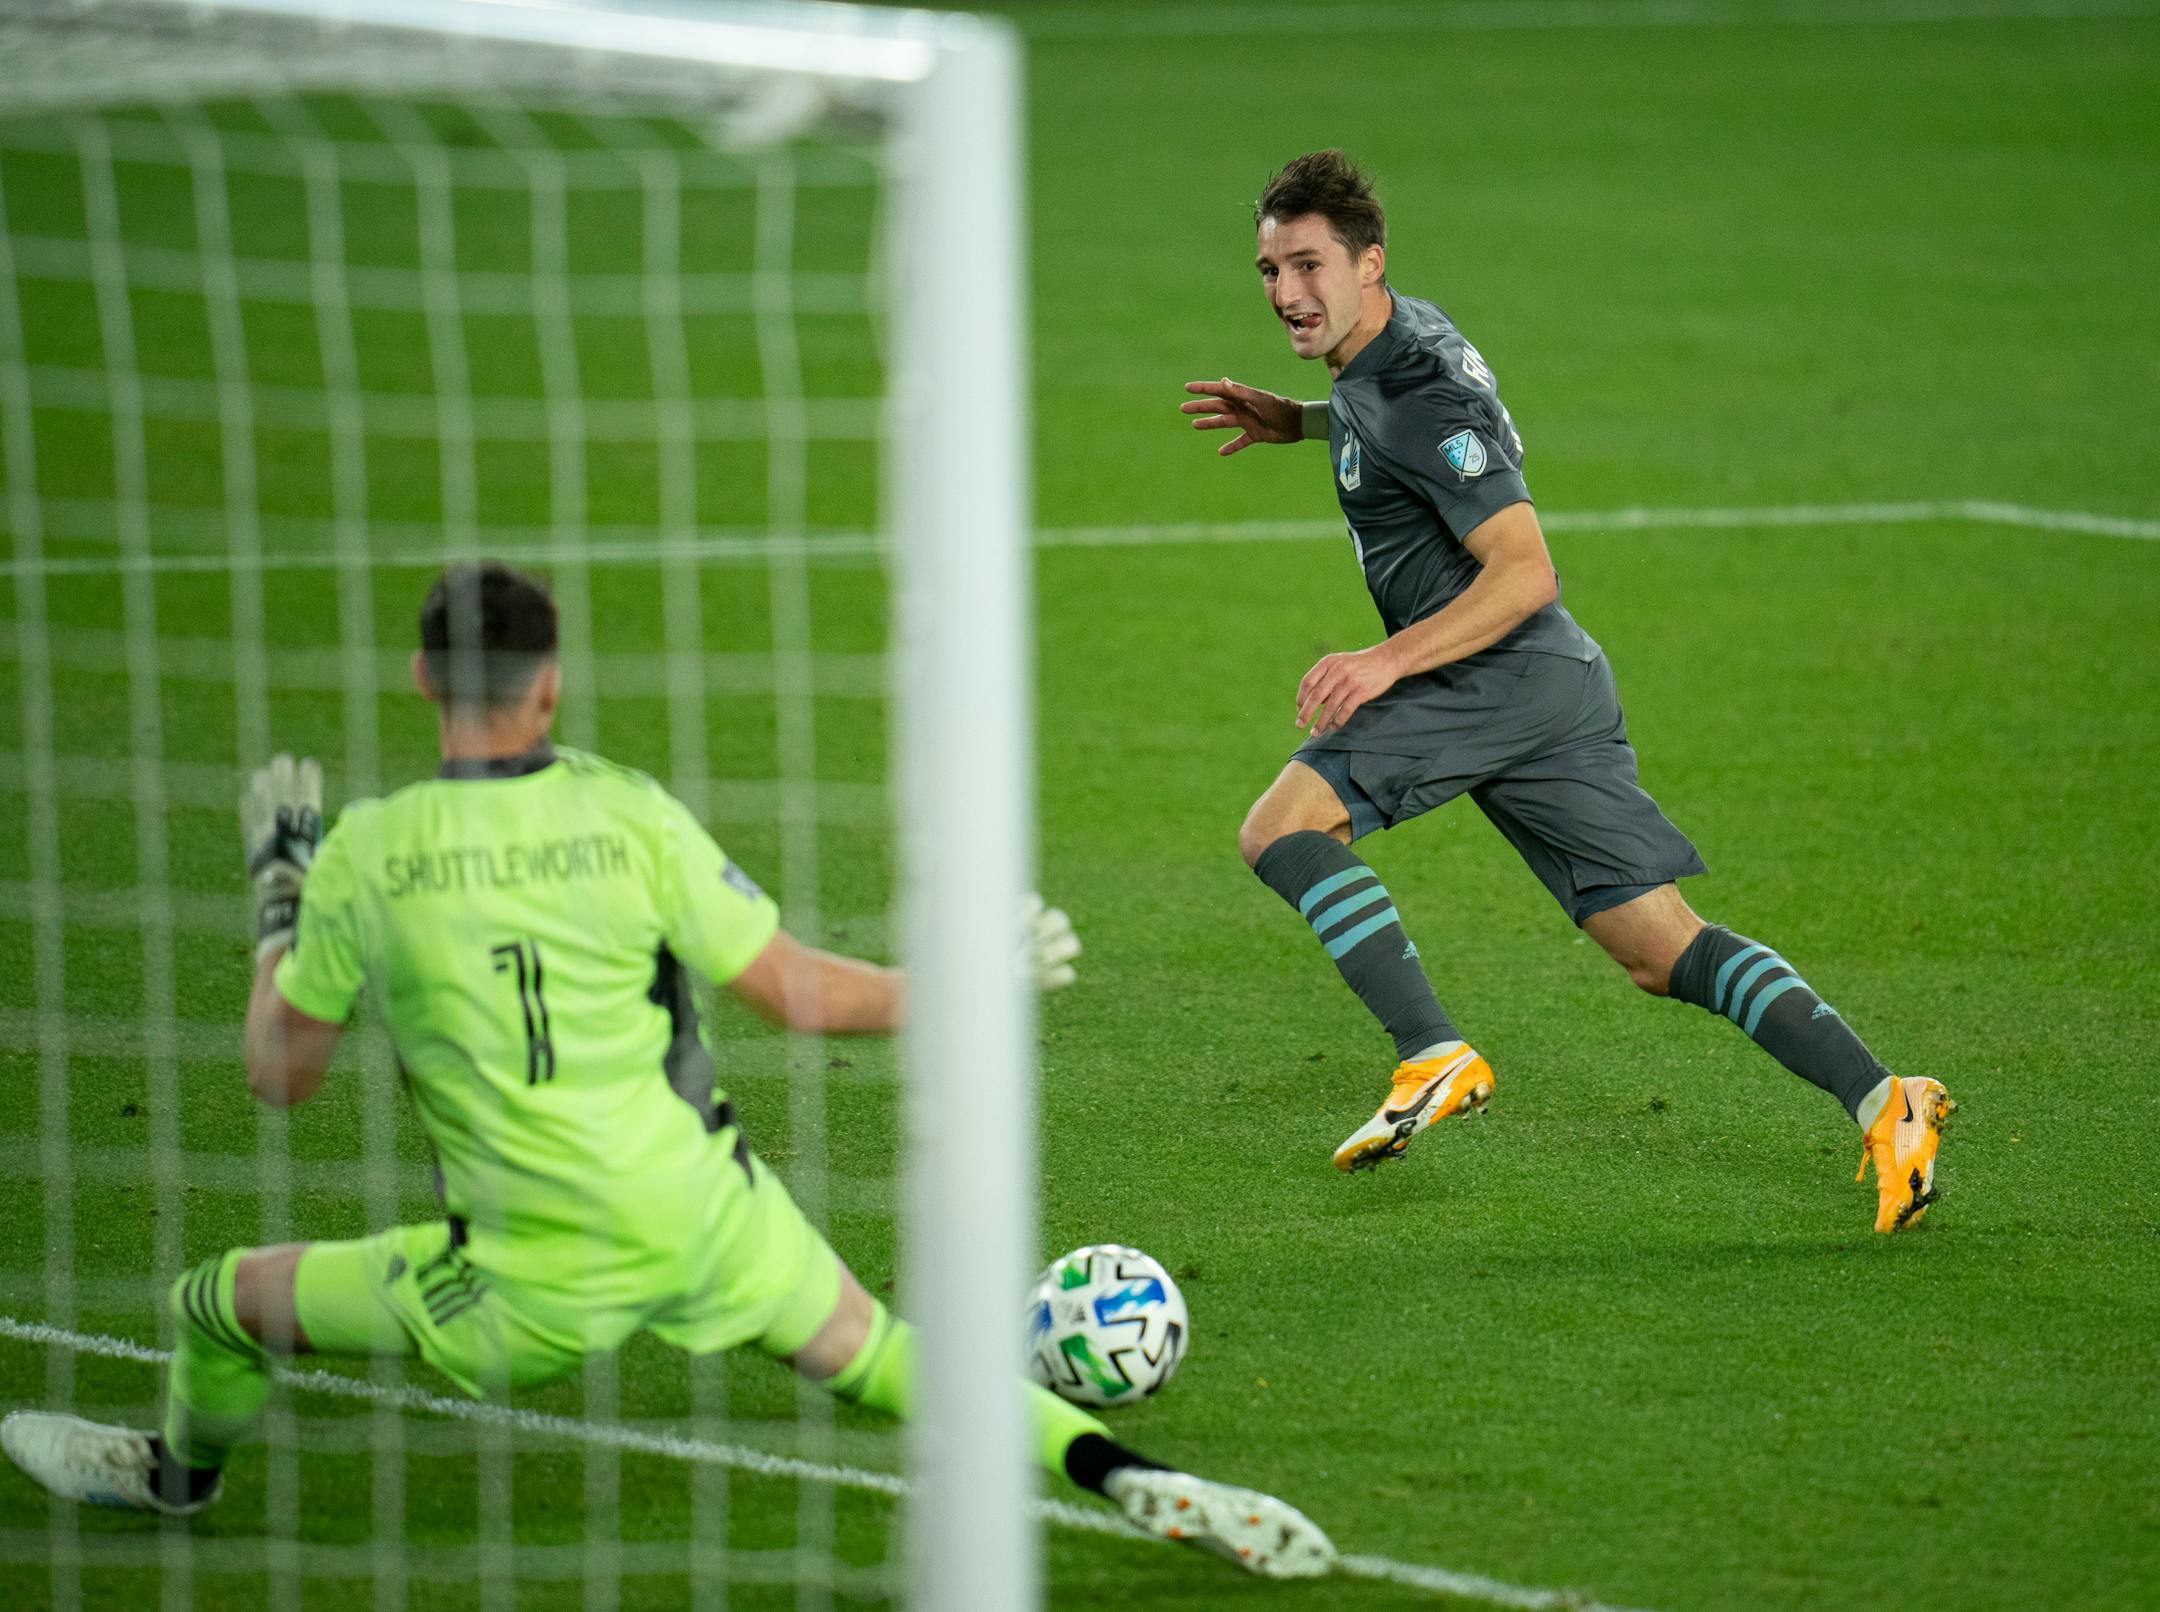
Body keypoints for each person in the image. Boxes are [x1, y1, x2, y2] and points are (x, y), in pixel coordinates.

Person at [1, 561, 1333, 1580]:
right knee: (885, 1357)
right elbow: (801, 994)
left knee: (221, 1299)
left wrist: (281, 894)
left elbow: (278, 1076)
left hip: (528, 1265)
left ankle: (176, 1480)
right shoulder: (624, 809)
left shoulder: (370, 852)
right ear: (552, 681)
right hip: (707, 1207)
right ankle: (1119, 1470)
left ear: (420, 678)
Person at [1179, 150, 1950, 1233]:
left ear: (1368, 261)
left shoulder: (1410, 384)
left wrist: (1384, 659)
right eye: (1268, 269)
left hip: (1492, 667)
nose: (1286, 292)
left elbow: (1526, 568)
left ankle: (1431, 1053)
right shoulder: (1393, 341)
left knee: (1284, 827)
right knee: (1659, 948)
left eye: (1307, 265)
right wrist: (1304, 418)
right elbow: (1410, 430)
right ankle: (1887, 1096)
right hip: (1550, 681)